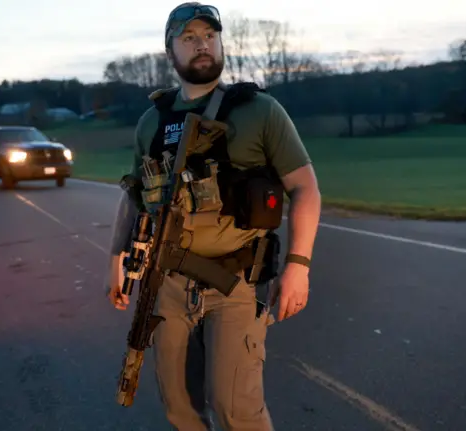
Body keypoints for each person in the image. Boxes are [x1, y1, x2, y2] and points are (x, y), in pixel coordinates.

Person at [106, 2, 321, 430]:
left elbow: (305, 188)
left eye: (209, 36)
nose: (202, 45)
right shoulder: (153, 121)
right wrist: (117, 260)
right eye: (189, 38)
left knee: (234, 408)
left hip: (236, 282)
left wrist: (299, 267)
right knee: (181, 408)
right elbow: (134, 195)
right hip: (166, 282)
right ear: (171, 52)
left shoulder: (259, 111)